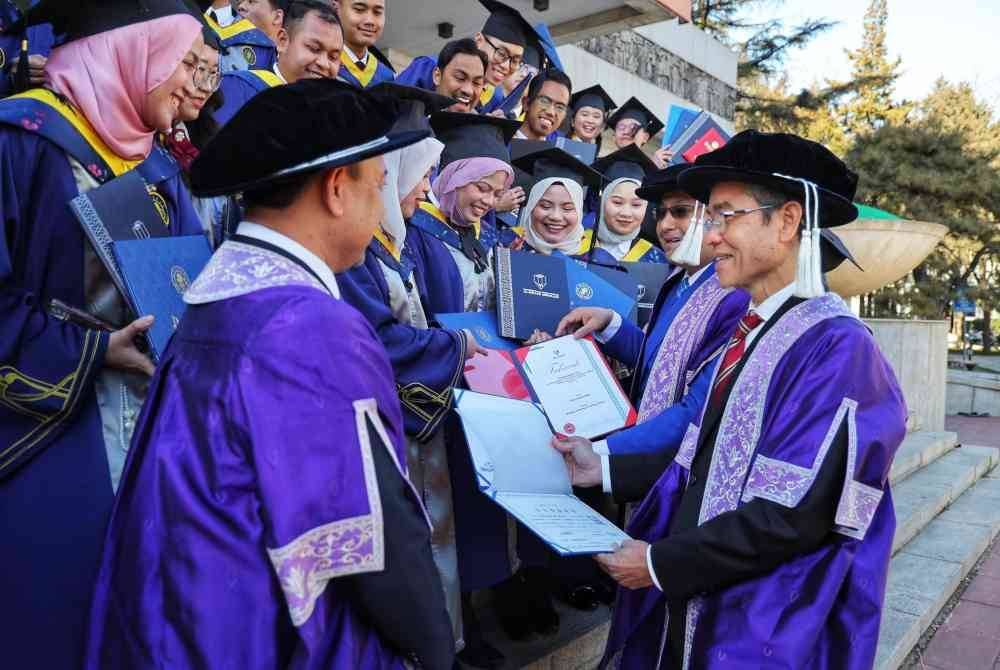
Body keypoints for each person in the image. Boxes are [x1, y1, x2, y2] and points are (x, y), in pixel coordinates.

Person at [87, 78, 456, 670]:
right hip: (265, 632)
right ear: (337, 188)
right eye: (377, 184)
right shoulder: (310, 326)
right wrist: (434, 651)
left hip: (189, 616)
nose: (380, 204)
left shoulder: (217, 303)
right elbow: (379, 536)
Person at [555, 130, 906, 669]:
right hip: (706, 588)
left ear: (787, 221)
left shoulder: (838, 349)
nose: (712, 236)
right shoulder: (756, 329)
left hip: (765, 617)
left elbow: (794, 513)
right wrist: (599, 468)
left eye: (725, 216)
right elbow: (706, 455)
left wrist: (661, 563)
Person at [0, 1, 207, 667]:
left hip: (154, 424)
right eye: (182, 62)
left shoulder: (154, 163)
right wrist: (94, 350)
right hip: (49, 434)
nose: (191, 81)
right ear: (134, 52)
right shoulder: (22, 140)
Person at [338, 82, 480, 653]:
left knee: (433, 537)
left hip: (419, 422)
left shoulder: (396, 241)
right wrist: (457, 346)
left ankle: (441, 647)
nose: (425, 188)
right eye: (419, 174)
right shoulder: (354, 251)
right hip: (383, 427)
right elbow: (377, 338)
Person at [557, 164, 749, 462]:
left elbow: (698, 406)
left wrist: (608, 450)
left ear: (714, 217)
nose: (665, 225)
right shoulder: (678, 280)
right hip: (642, 448)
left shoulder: (734, 295)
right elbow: (659, 365)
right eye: (661, 213)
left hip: (673, 464)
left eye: (680, 212)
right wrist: (609, 323)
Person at [213, 0, 342, 126]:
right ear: (282, 41)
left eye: (333, 57)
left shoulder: (334, 115)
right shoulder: (240, 88)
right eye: (314, 49)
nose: (324, 64)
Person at [396, 0, 537, 114]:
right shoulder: (429, 67)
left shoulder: (495, 98)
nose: (506, 66)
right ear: (479, 40)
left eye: (515, 60)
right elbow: (391, 107)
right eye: (501, 53)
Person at [508, 146, 604, 259]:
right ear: (531, 206)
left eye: (567, 208)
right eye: (545, 206)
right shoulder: (508, 241)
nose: (555, 216)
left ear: (579, 211)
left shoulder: (594, 256)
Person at [586, 144, 665, 263]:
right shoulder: (574, 243)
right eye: (617, 202)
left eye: (636, 205)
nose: (626, 213)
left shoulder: (655, 259)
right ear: (602, 202)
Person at [205, 0, 278, 72]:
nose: (242, 6)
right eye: (241, 2)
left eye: (251, 1)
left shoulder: (265, 49)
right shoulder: (200, 22)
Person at [337, 0, 395, 88]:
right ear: (336, 8)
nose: (370, 21)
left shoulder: (389, 78)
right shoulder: (321, 66)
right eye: (359, 9)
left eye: (377, 12)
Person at [606, 96, 669, 167]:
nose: (626, 131)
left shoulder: (654, 167)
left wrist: (652, 168)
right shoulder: (600, 165)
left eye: (633, 127)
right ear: (614, 136)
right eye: (621, 127)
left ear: (645, 137)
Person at [431, 38, 488, 114]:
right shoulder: (416, 116)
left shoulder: (481, 121)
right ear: (437, 76)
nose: (468, 91)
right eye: (460, 78)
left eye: (476, 83)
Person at [515, 67, 571, 142]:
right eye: (545, 101)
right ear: (526, 103)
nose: (551, 112)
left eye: (560, 107)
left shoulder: (558, 148)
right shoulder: (502, 140)